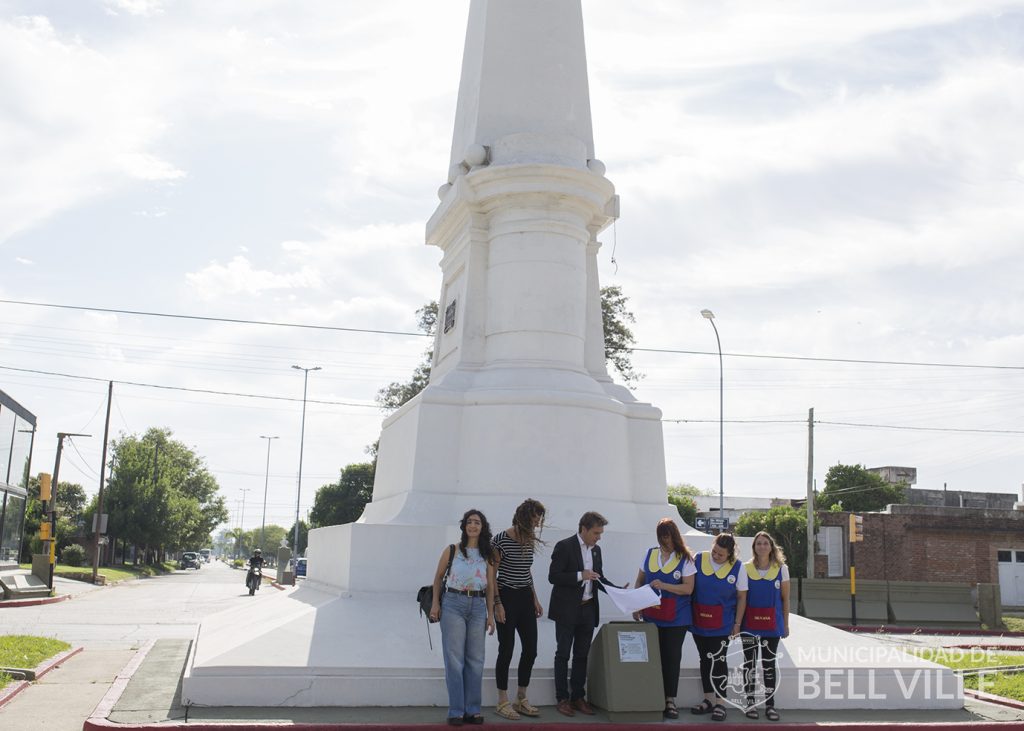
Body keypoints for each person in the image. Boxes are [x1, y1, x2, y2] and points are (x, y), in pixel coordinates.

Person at [548, 511, 623, 717]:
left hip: (588, 609)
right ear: (584, 529)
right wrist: (581, 575)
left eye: (600, 533)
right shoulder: (564, 546)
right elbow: (553, 576)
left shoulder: (596, 551)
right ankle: (562, 698)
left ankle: (578, 697)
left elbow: (598, 578)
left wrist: (618, 591)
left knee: (581, 655)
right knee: (563, 654)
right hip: (566, 610)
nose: (599, 537)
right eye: (596, 533)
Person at [429, 509, 497, 726]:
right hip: (453, 604)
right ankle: (456, 710)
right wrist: (435, 604)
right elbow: (438, 578)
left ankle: (473, 710)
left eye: (477, 522)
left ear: (482, 527)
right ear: (464, 526)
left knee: (476, 660)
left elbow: (490, 587)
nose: (473, 526)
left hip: (478, 606)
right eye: (469, 522)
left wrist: (490, 615)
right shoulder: (452, 550)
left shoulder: (488, 555)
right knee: (454, 660)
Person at [632, 518, 696, 719]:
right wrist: (637, 604)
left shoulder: (685, 559)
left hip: (677, 617)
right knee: (653, 657)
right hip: (653, 614)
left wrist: (666, 586)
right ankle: (653, 696)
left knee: (671, 657)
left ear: (674, 536)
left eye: (667, 536)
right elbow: (640, 581)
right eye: (661, 536)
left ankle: (670, 699)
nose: (664, 540)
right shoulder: (650, 554)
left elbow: (688, 588)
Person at [492, 499, 546, 720]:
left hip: (525, 596)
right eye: (534, 518)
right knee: (506, 649)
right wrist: (497, 604)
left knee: (531, 649)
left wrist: (535, 598)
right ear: (523, 517)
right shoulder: (501, 540)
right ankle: (502, 701)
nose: (537, 523)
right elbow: (491, 575)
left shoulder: (530, 539)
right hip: (505, 595)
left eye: (539, 519)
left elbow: (527, 570)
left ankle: (521, 697)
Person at [690, 532, 747, 722]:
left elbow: (741, 597)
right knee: (704, 659)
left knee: (719, 660)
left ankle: (721, 703)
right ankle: (708, 700)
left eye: (721, 555)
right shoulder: (698, 559)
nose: (716, 556)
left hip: (722, 623)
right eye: (714, 551)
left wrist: (737, 624)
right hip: (699, 620)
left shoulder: (738, 568)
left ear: (730, 554)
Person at [740, 531, 790, 722]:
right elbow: (741, 597)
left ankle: (770, 705)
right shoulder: (745, 568)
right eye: (758, 543)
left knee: (768, 665)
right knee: (749, 664)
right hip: (749, 624)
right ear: (754, 547)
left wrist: (785, 624)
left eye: (765, 543)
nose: (762, 546)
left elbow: (785, 599)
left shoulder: (781, 569)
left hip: (772, 625)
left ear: (771, 547)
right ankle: (750, 703)